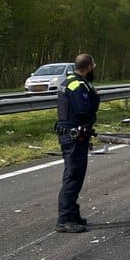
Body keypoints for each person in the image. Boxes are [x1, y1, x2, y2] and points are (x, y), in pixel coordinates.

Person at [55, 53, 100, 233]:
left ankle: (72, 214)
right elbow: (84, 108)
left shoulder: (67, 81)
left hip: (70, 133)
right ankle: (64, 219)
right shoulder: (78, 85)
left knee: (74, 175)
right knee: (73, 176)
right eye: (93, 65)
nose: (94, 69)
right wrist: (95, 96)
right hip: (74, 136)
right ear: (88, 66)